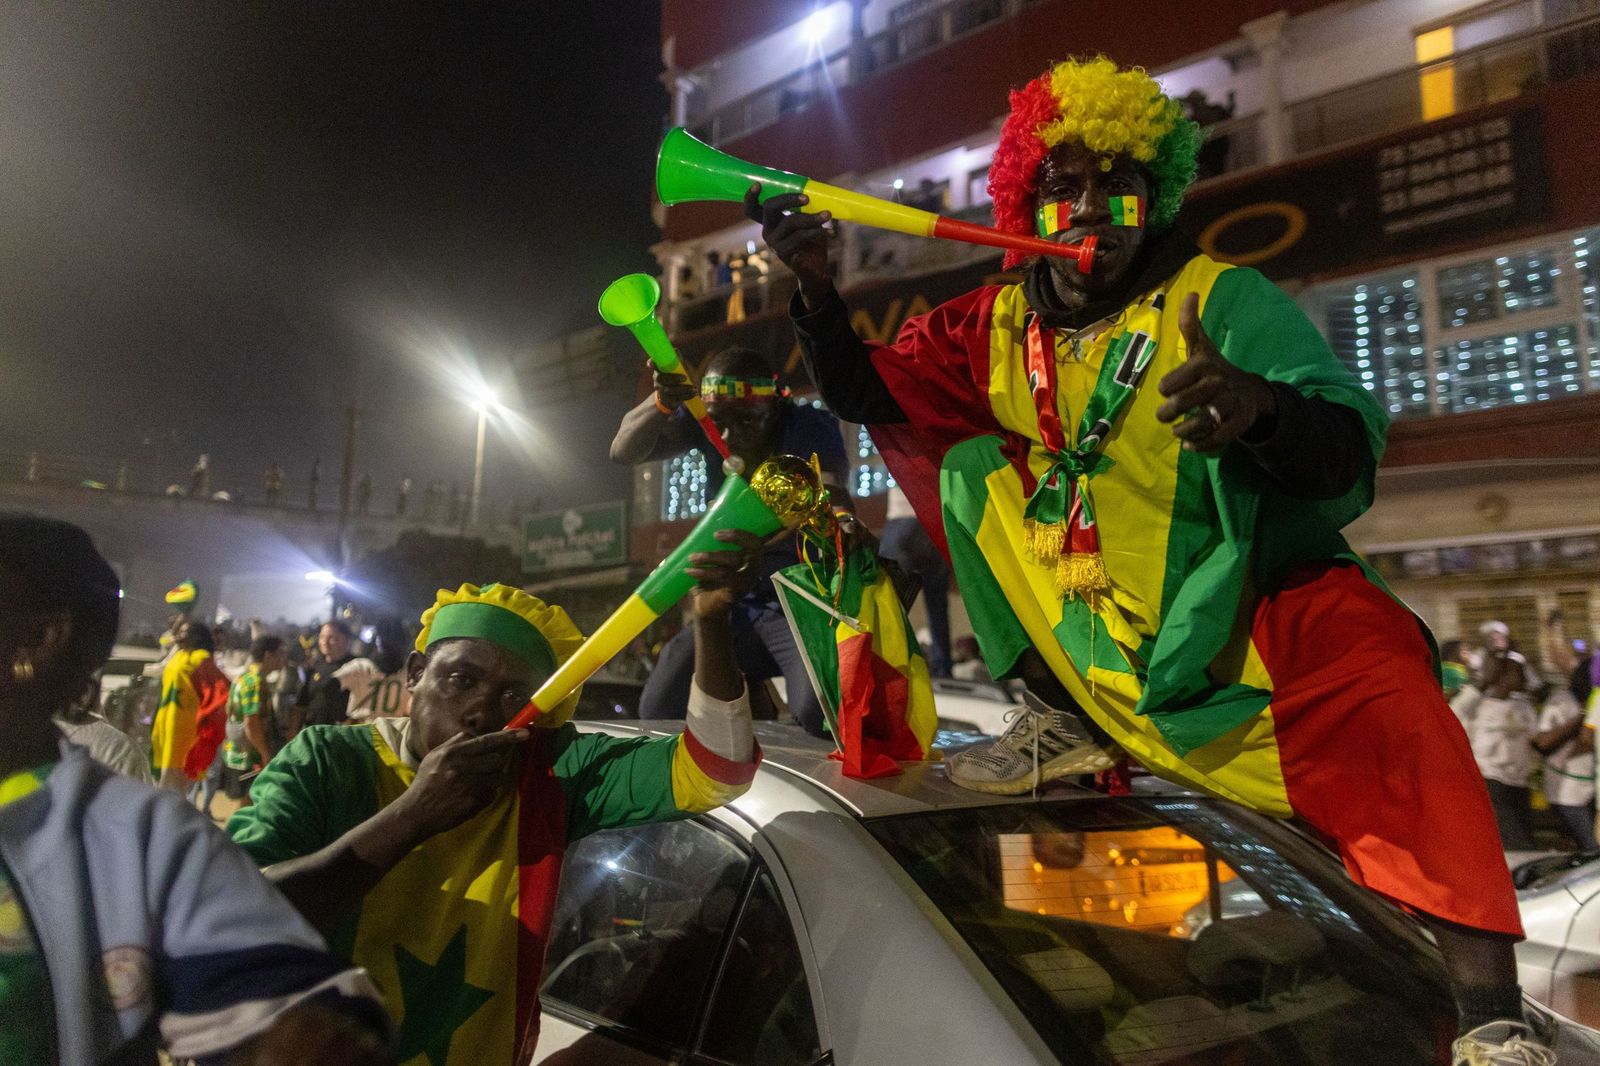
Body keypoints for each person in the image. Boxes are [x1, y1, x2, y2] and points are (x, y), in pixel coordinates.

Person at [751, 55, 1541, 1060]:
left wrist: (1261, 412)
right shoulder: (992, 320)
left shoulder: (1223, 297)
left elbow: (1345, 448)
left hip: (1232, 625)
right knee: (970, 470)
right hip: (1089, 633)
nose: (1092, 208)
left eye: (1118, 185)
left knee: (1391, 692)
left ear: (1153, 193)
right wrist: (816, 290)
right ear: (1025, 200)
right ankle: (1055, 720)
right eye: (1064, 185)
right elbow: (868, 395)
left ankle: (1491, 1023)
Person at [228, 541, 765, 1064]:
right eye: (461, 679)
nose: (482, 712)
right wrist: (413, 817)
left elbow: (716, 767)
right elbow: (223, 922)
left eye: (515, 697)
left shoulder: (549, 770)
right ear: (415, 675)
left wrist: (710, 624)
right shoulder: (326, 762)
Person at [0, 512, 389, 1065]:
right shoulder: (208, 673)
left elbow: (301, 1023)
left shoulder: (141, 839)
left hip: (189, 758)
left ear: (41, 639)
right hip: (188, 755)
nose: (177, 636)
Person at [610, 346, 851, 737]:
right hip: (731, 604)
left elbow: (833, 491)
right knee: (659, 707)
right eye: (718, 422)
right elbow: (623, 451)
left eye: (746, 421)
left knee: (818, 713)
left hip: (791, 601)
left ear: (774, 407)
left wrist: (842, 522)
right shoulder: (713, 424)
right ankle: (749, 697)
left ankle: (760, 698)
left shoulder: (808, 425)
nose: (727, 436)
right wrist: (661, 403)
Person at [1453, 651, 1538, 850]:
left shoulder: (1523, 707)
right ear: (1503, 676)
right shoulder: (1478, 705)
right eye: (1517, 673)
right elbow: (1453, 713)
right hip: (1491, 782)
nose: (1523, 678)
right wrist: (1483, 682)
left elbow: (1537, 737)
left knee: (1520, 837)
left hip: (1518, 783)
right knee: (1518, 843)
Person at [878, 485, 953, 677]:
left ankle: (889, 666)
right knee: (937, 604)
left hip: (901, 521)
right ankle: (942, 667)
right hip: (934, 521)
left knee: (890, 605)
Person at [151, 619, 231, 792]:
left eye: (184, 633)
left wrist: (206, 726)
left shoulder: (200, 658)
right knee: (162, 785)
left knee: (172, 790)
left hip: (182, 733)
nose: (179, 636)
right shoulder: (179, 655)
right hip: (166, 727)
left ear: (196, 637)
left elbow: (222, 691)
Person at [224, 635, 289, 803]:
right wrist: (265, 754)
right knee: (248, 803)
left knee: (245, 803)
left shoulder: (244, 677)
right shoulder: (255, 683)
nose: (284, 658)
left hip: (237, 750)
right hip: (249, 755)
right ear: (268, 655)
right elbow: (251, 723)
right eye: (281, 653)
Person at [336, 617, 413, 720]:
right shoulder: (411, 676)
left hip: (360, 732)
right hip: (392, 734)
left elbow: (327, 688)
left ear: (377, 643)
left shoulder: (360, 667)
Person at [299, 620, 358, 727]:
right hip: (314, 733)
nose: (324, 642)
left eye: (332, 638)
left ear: (346, 640)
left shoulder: (357, 667)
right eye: (322, 637)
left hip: (341, 736)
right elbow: (301, 704)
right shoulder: (312, 667)